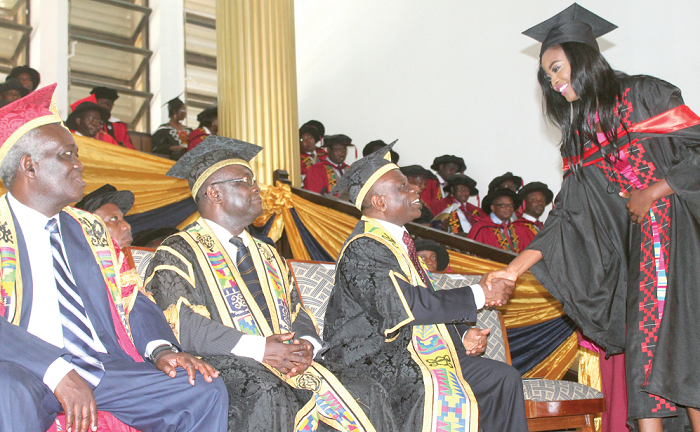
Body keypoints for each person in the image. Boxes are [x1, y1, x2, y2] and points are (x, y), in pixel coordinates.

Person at [486, 4, 700, 431]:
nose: (553, 80)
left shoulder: (645, 95)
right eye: (547, 75)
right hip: (639, 254)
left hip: (681, 241)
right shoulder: (579, 139)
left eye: (557, 67)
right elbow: (567, 215)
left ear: (584, 57)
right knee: (644, 353)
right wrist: (512, 269)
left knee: (684, 348)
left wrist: (655, 190)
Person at [0, 84, 227, 432]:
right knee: (6, 391)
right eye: (66, 155)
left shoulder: (88, 228)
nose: (79, 164)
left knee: (201, 389)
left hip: (100, 365)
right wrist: (56, 369)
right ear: (29, 166)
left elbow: (130, 298)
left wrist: (162, 350)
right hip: (24, 367)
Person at [145, 135, 373, 432]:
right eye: (245, 181)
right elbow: (183, 324)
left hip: (287, 364)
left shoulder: (268, 253)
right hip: (223, 364)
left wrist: (306, 345)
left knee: (366, 389)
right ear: (214, 193)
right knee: (268, 391)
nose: (257, 188)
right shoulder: (179, 250)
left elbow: (296, 312)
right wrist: (260, 349)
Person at [324, 143, 527, 432]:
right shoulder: (365, 247)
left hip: (411, 353)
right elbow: (407, 305)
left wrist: (463, 336)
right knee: (429, 385)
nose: (416, 191)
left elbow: (425, 301)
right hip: (374, 359)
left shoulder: (400, 243)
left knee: (502, 378)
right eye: (403, 187)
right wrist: (479, 292)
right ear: (380, 202)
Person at [466, 189, 532, 254]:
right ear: (493, 208)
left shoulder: (519, 229)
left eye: (511, 205)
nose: (508, 208)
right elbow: (470, 254)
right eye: (503, 205)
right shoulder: (481, 228)